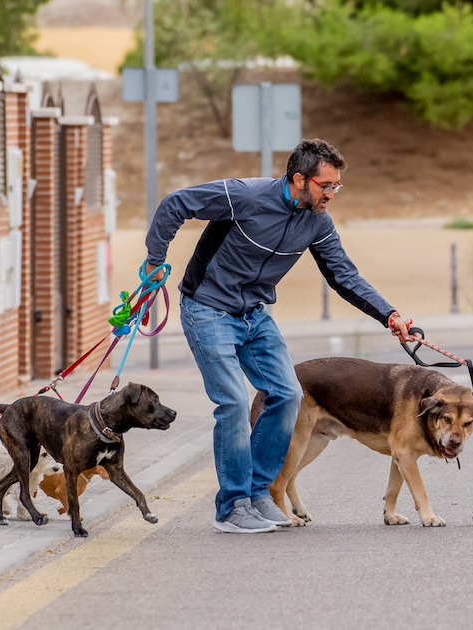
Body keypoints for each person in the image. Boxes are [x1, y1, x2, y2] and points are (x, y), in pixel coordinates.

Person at [144, 138, 413, 534]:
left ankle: (258, 494)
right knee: (234, 402)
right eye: (327, 185)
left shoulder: (317, 221)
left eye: (337, 186)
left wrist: (388, 314)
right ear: (300, 179)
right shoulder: (244, 196)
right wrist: (155, 259)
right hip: (207, 308)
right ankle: (231, 507)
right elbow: (175, 203)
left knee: (288, 394)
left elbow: (344, 275)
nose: (332, 194)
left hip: (255, 315)